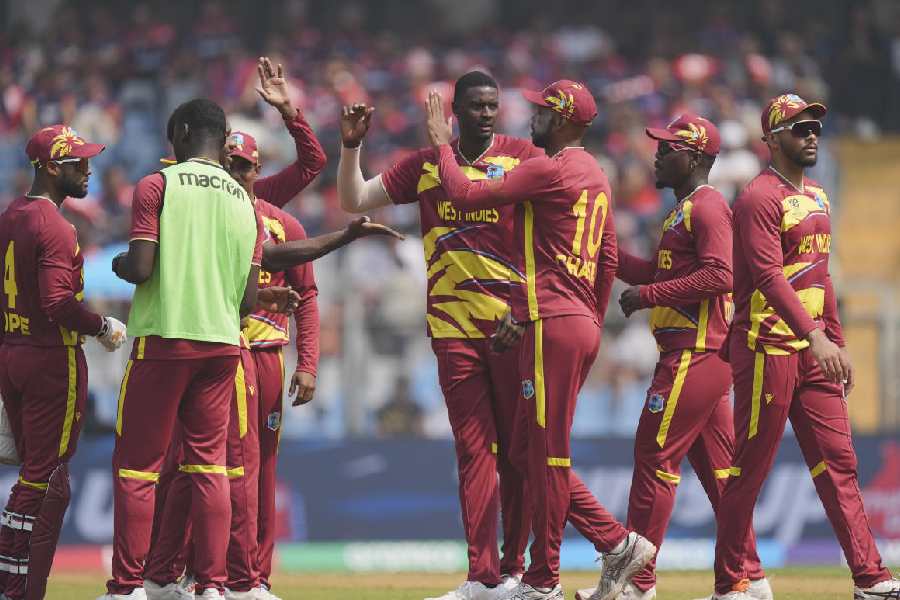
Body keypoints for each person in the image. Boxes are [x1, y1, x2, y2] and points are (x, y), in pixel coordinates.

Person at [424, 81, 655, 600]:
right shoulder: (596, 174)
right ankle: (611, 545)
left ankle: (548, 577)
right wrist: (592, 322)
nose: (533, 118)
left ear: (566, 122)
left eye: (545, 112)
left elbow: (461, 194)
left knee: (544, 456)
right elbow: (610, 258)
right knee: (529, 451)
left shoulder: (548, 168)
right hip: (571, 323)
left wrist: (442, 142)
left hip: (550, 322)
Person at [337, 70, 542, 600]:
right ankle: (482, 577)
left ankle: (515, 572)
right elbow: (355, 199)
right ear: (456, 111)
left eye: (493, 104)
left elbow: (553, 233)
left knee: (517, 455)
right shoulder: (426, 165)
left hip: (510, 326)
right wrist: (350, 146)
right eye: (476, 105)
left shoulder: (521, 157)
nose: (487, 113)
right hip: (452, 330)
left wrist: (525, 309)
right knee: (473, 450)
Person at [704, 94, 900, 600]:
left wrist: (835, 341)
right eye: (798, 128)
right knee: (750, 467)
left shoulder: (818, 195)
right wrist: (817, 339)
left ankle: (870, 577)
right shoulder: (756, 199)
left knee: (841, 464)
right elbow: (768, 276)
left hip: (812, 353)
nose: (811, 134)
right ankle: (732, 584)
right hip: (765, 348)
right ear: (772, 140)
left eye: (814, 126)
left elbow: (820, 277)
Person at [576, 114, 770, 600]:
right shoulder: (683, 211)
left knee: (653, 457)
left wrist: (647, 295)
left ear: (696, 158)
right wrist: (604, 251)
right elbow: (662, 270)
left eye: (668, 149)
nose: (657, 155)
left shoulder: (705, 207)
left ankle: (636, 586)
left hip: (696, 352)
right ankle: (746, 582)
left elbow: (719, 275)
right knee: (721, 476)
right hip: (696, 353)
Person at [102, 98, 265, 600]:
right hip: (221, 347)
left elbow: (143, 266)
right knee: (210, 466)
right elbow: (251, 299)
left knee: (138, 467)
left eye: (174, 134)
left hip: (165, 337)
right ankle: (213, 587)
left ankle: (127, 588)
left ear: (188, 130)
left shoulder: (158, 185)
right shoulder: (244, 201)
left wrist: (121, 269)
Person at [0, 125, 126, 600]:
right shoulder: (54, 225)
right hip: (52, 357)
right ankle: (22, 590)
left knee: (31, 478)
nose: (88, 170)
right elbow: (57, 302)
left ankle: (11, 583)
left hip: (12, 351)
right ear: (51, 168)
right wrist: (102, 327)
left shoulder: (9, 215)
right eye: (78, 162)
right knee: (48, 481)